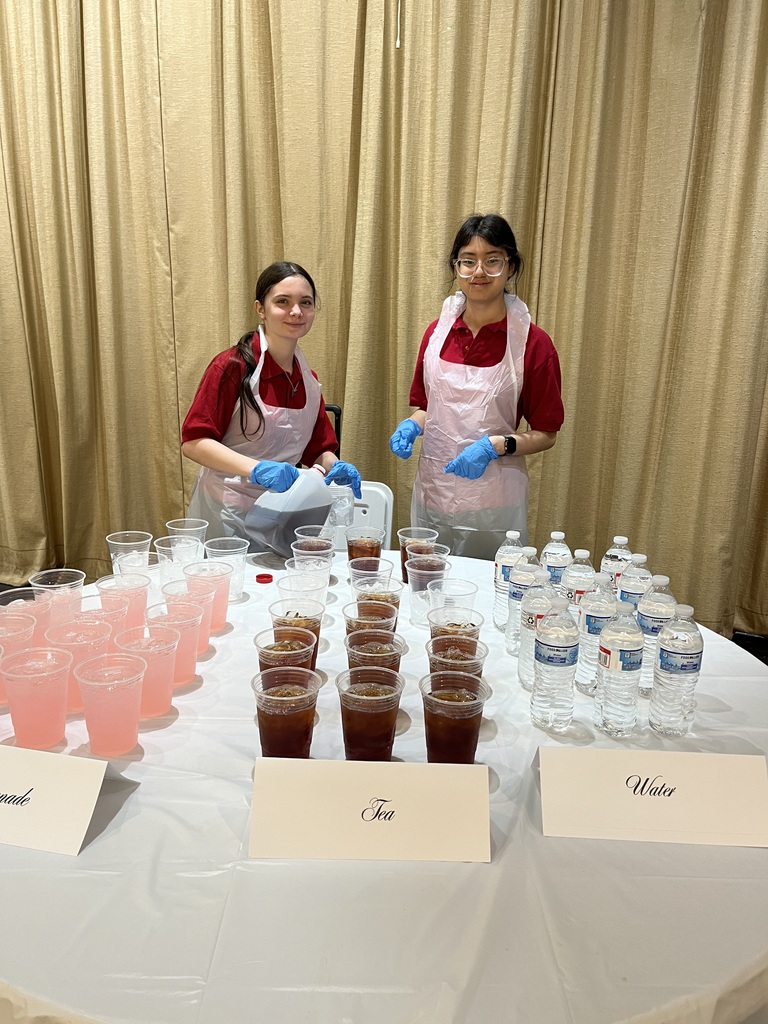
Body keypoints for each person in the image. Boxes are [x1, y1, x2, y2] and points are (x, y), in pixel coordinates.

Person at [389, 214, 564, 559]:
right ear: (456, 267)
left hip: (494, 504)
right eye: (468, 261)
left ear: (510, 267)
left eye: (492, 261)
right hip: (434, 493)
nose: (479, 271)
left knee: (486, 598)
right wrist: (412, 424)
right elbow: (428, 407)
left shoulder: (532, 343)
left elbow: (547, 432)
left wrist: (495, 446)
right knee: (428, 588)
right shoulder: (436, 334)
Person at [182, 261, 361, 551]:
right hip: (226, 513)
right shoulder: (232, 367)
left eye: (306, 303)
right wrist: (257, 469)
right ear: (260, 309)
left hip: (282, 513)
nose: (296, 311)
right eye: (282, 302)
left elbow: (318, 449)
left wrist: (335, 465)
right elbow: (194, 442)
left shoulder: (308, 380)